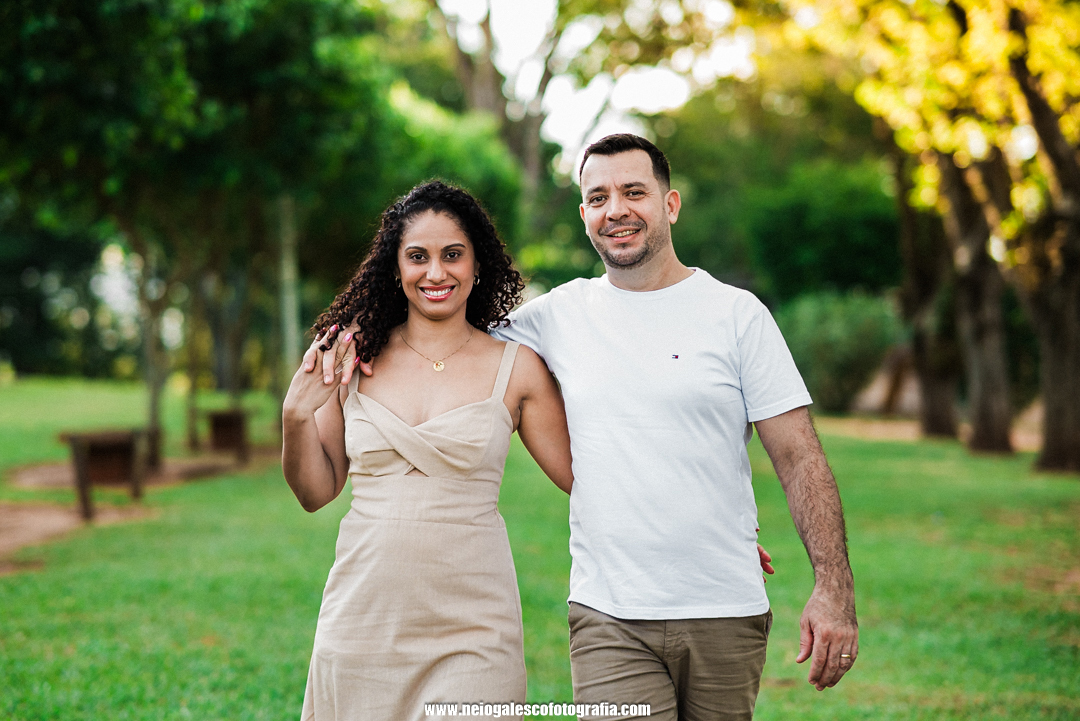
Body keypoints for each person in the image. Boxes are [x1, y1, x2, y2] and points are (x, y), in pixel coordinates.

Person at [312, 136, 853, 720]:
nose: (616, 209)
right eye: (598, 197)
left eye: (633, 192)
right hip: (608, 613)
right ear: (584, 215)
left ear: (670, 204)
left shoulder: (738, 316)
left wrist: (832, 587)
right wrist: (359, 333)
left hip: (725, 604)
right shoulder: (554, 318)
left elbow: (799, 456)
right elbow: (445, 316)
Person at [281, 180, 574, 721]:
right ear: (395, 268)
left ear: (477, 264)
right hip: (362, 620)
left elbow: (583, 479)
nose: (435, 272)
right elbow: (315, 492)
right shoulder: (352, 357)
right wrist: (296, 416)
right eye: (418, 257)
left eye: (452, 255)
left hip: (475, 627)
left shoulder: (518, 368)